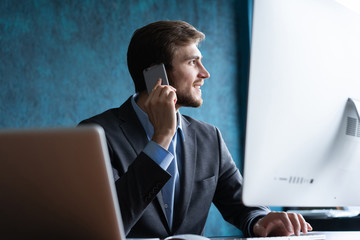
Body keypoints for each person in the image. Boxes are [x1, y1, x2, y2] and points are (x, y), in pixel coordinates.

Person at [79, 20, 312, 238]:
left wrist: (261, 219)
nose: (204, 73)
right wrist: (161, 139)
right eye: (192, 62)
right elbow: (109, 224)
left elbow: (242, 205)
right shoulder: (96, 134)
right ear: (155, 75)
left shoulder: (209, 137)